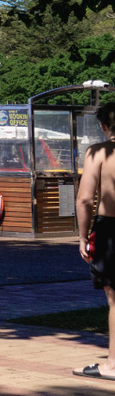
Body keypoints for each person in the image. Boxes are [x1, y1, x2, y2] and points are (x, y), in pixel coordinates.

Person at [76, 103, 115, 379]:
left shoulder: (98, 153)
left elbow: (85, 199)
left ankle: (112, 363)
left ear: (103, 125)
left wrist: (82, 236)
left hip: (110, 228)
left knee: (114, 298)